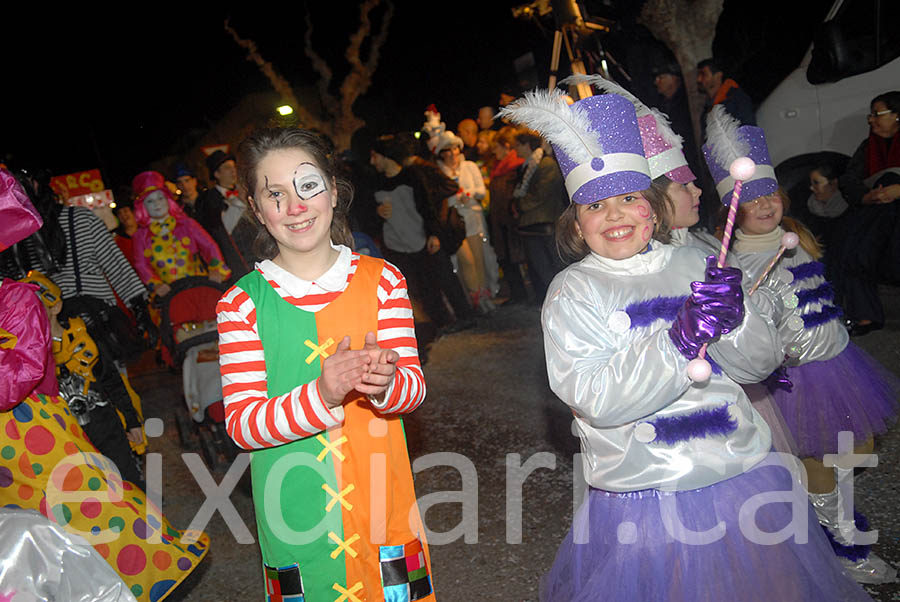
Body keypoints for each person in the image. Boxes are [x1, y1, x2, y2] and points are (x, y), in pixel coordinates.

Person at [500, 89, 873, 602]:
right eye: (595, 205)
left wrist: (737, 318)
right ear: (577, 225)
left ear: (652, 209)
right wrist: (677, 341)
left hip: (741, 471)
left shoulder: (697, 262)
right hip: (650, 493)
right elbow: (594, 398)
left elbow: (756, 366)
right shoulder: (573, 292)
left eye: (629, 198)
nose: (615, 215)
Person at [216, 127, 434, 601]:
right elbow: (242, 425)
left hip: (384, 506)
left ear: (333, 192)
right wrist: (322, 394)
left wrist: (385, 384)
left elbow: (413, 391)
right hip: (294, 517)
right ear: (256, 209)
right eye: (275, 194)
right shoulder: (240, 305)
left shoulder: (384, 281)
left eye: (308, 186)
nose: (295, 207)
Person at [0, 167, 210, 602]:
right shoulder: (23, 260)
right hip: (46, 385)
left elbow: (120, 266)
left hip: (80, 353)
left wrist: (140, 305)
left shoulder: (70, 234)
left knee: (92, 490)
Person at [727, 177, 898, 583]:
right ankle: (845, 550)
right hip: (799, 378)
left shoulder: (793, 237)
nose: (766, 204)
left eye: (770, 193)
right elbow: (748, 337)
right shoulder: (742, 267)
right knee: (821, 459)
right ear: (732, 214)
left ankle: (821, 514)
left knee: (856, 448)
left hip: (839, 364)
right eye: (751, 201)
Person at [22, 270, 145, 487]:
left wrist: (131, 420)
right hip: (68, 437)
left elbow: (112, 382)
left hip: (107, 429)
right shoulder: (27, 354)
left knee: (127, 483)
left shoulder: (84, 342)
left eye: (36, 308)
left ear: (55, 306)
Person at [836, 90, 900, 336]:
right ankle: (863, 313)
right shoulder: (868, 147)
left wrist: (897, 189)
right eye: (870, 115)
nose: (871, 120)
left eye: (877, 114)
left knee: (860, 241)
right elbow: (850, 179)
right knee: (852, 240)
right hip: (877, 213)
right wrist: (867, 196)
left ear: (897, 115)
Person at [131, 170, 230, 300]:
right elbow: (141, 265)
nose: (156, 204)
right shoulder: (140, 236)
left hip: (200, 288)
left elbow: (209, 246)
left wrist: (216, 269)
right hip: (170, 299)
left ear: (168, 200)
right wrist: (155, 285)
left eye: (160, 198)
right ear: (143, 207)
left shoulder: (187, 224)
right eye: (150, 201)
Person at [433, 130, 497, 313]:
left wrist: (469, 195)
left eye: (455, 148)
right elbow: (440, 197)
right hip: (454, 223)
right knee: (466, 260)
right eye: (447, 150)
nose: (452, 153)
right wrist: (455, 199)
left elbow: (481, 191)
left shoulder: (469, 166)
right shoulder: (439, 172)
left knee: (479, 259)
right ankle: (473, 298)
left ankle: (483, 297)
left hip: (473, 218)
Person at [511, 129, 567, 303]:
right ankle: (556, 302)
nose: (515, 150)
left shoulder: (546, 164)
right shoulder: (532, 165)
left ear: (527, 145)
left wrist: (519, 205)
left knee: (553, 268)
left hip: (546, 223)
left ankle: (565, 302)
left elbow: (540, 193)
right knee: (542, 268)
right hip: (534, 225)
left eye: (517, 146)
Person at [195, 150, 255, 280]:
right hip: (235, 263)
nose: (233, 171)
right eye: (227, 168)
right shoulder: (208, 199)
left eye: (234, 167)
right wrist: (240, 202)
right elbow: (221, 230)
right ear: (216, 174)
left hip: (255, 254)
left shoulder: (243, 190)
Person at [489, 126, 528, 304]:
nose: (493, 152)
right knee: (507, 259)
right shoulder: (499, 169)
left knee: (517, 258)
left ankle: (523, 294)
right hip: (500, 222)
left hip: (511, 222)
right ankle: (517, 293)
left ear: (506, 146)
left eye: (496, 148)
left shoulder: (515, 167)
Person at [697, 57, 756, 138]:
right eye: (698, 75)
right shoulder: (707, 110)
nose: (699, 79)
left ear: (718, 76)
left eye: (703, 74)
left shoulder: (736, 99)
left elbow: (750, 132)